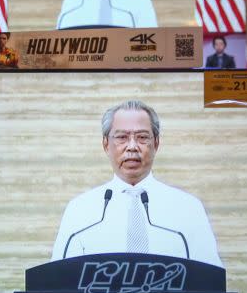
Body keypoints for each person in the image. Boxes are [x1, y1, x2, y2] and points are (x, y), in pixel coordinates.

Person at [50, 100, 221, 266]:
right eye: (122, 137)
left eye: (142, 137)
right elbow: (58, 279)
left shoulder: (188, 208)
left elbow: (211, 280)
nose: (132, 146)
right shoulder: (79, 209)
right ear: (105, 144)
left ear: (156, 143)